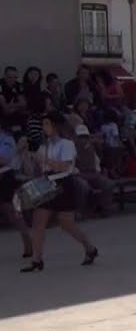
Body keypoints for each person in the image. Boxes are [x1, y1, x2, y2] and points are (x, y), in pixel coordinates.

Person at [21, 112, 98, 272]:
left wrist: (44, 160)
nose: (44, 128)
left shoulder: (67, 144)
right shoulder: (44, 145)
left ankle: (90, 247)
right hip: (48, 183)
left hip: (63, 183)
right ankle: (37, 259)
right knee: (38, 221)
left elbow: (65, 166)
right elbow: (42, 168)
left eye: (47, 124)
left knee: (66, 223)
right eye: (44, 125)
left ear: (56, 126)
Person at [0, 124, 33, 258]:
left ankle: (27, 239)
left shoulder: (6, 139)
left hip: (3, 176)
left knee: (10, 210)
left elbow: (4, 159)